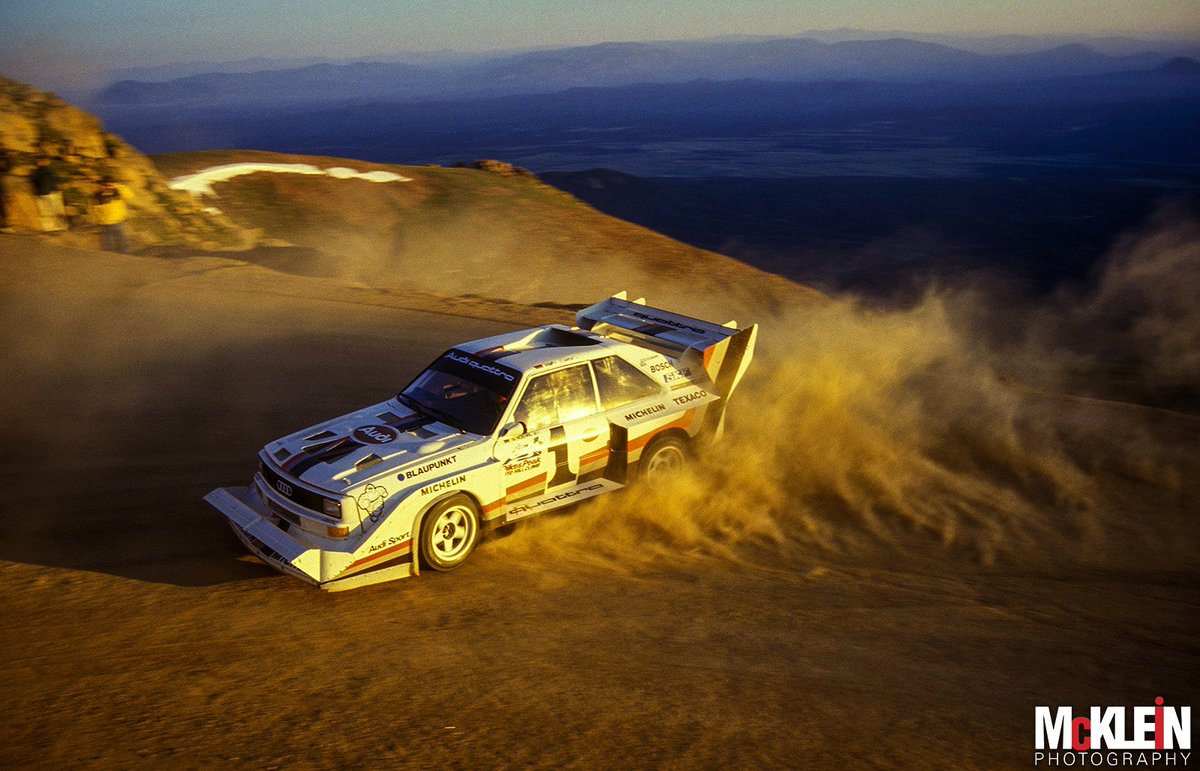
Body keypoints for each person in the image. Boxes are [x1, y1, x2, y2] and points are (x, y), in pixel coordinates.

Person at [90, 176, 134, 253]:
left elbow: (130, 195)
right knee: (107, 247)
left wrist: (118, 186)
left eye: (108, 185)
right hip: (104, 225)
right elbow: (92, 209)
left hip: (118, 223)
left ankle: (126, 258)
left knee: (122, 244)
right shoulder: (96, 196)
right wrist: (96, 221)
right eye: (104, 185)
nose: (106, 187)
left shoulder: (117, 193)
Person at [30, 157, 67, 232]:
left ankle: (48, 228)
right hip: (52, 193)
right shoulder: (50, 171)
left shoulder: (36, 172)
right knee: (56, 211)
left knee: (45, 212)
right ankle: (60, 226)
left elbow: (33, 182)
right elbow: (55, 181)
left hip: (41, 194)